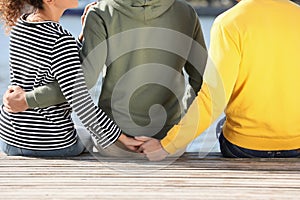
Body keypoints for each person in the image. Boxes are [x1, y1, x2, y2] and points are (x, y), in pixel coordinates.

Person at [3, 0, 207, 157]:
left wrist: (28, 100)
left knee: (84, 132)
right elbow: (203, 83)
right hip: (169, 144)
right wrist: (178, 136)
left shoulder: (100, 11)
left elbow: (80, 81)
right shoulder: (186, 13)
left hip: (112, 145)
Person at [136, 0, 300, 161]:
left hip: (245, 148)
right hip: (296, 145)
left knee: (223, 124)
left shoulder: (229, 23)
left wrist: (166, 146)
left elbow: (213, 98)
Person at [0, 0, 142, 157]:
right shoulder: (60, 40)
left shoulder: (21, 25)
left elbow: (56, 64)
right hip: (49, 143)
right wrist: (120, 137)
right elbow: (81, 102)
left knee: (82, 131)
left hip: (9, 139)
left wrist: (83, 35)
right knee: (93, 138)